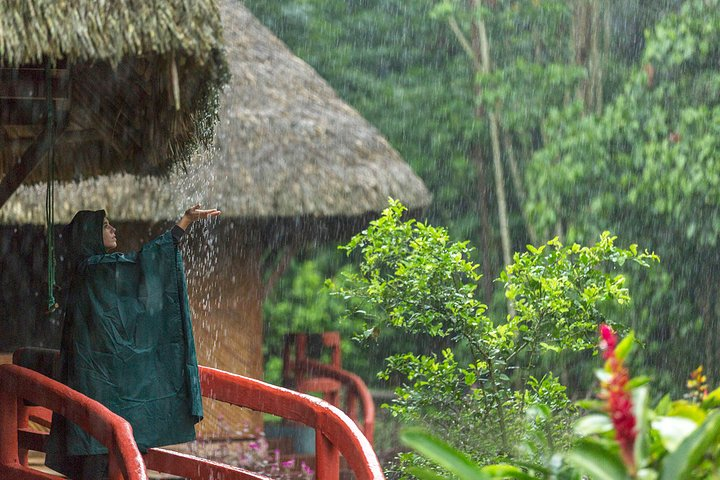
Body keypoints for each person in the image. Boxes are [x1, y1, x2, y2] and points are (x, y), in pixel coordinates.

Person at [45, 204, 221, 479]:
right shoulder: (93, 271)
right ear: (90, 235)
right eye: (105, 226)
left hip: (92, 389)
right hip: (94, 390)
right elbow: (142, 263)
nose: (113, 229)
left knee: (102, 453)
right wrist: (184, 223)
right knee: (101, 458)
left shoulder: (89, 272)